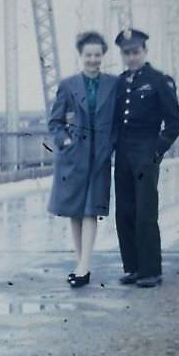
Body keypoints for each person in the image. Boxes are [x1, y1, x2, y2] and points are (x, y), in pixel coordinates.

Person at [112, 28, 179, 288]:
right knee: (124, 212)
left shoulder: (158, 81)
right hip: (123, 155)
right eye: (126, 53)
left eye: (135, 52)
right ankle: (132, 267)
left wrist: (156, 150)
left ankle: (150, 271)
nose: (131, 58)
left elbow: (175, 122)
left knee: (145, 212)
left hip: (146, 153)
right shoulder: (120, 82)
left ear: (145, 51)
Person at [48, 31, 118, 288]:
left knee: (91, 210)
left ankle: (84, 266)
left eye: (97, 55)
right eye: (88, 55)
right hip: (74, 157)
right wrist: (65, 142)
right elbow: (55, 122)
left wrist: (111, 144)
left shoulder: (114, 84)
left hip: (99, 156)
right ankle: (81, 264)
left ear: (103, 56)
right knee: (75, 212)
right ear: (81, 55)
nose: (93, 60)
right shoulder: (68, 85)